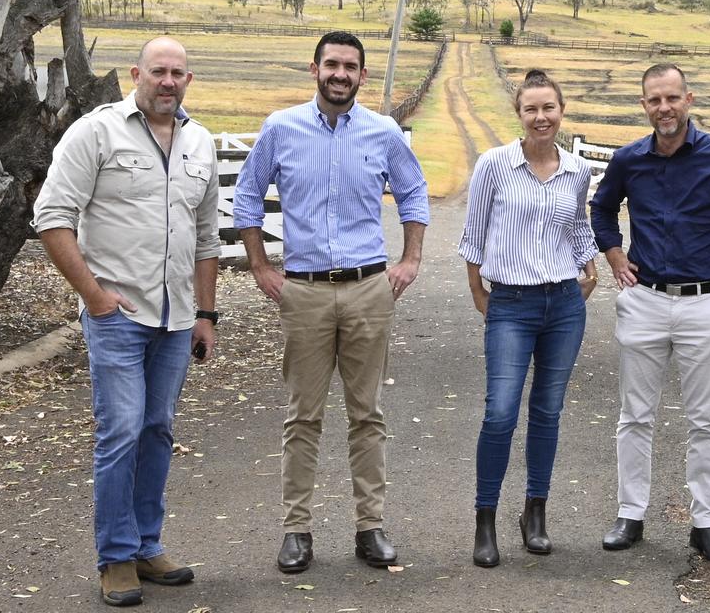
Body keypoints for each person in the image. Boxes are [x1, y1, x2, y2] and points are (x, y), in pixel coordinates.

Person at [232, 31, 429, 574]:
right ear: (315, 68)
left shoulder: (383, 132)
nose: (341, 74)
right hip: (306, 291)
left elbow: (413, 193)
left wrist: (409, 261)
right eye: (332, 64)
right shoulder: (281, 128)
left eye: (351, 67)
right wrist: (261, 266)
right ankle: (297, 531)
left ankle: (371, 527)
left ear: (362, 76)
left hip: (370, 288)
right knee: (303, 416)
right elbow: (247, 197)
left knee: (368, 414)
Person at [33, 37, 218, 606]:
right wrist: (93, 296)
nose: (168, 81)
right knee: (121, 432)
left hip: (177, 319)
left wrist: (206, 314)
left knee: (157, 428)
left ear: (189, 80)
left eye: (178, 73)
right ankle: (114, 558)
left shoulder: (200, 141)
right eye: (158, 71)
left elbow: (207, 238)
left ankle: (145, 545)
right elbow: (51, 215)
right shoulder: (96, 131)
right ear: (137, 73)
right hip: (118, 316)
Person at [589, 63, 710, 566]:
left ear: (688, 99)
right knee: (634, 415)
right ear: (644, 105)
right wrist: (615, 253)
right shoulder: (628, 160)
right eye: (653, 100)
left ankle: (706, 523)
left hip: (708, 302)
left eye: (672, 98)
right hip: (644, 300)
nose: (663, 108)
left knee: (706, 420)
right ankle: (630, 514)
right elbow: (602, 209)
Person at [459, 70, 599, 567]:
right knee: (500, 412)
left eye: (549, 108)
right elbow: (474, 235)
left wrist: (591, 267)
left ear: (562, 111)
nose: (541, 117)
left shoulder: (578, 170)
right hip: (510, 304)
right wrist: (480, 292)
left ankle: (535, 512)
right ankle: (485, 519)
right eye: (531, 109)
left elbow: (575, 226)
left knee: (547, 411)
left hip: (564, 303)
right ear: (519, 115)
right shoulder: (495, 165)